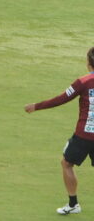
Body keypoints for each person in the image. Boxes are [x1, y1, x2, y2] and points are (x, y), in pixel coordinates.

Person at [24, 47, 94, 215]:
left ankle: (73, 204)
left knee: (66, 163)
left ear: (88, 63)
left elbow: (62, 99)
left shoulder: (83, 82)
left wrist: (36, 106)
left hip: (84, 135)